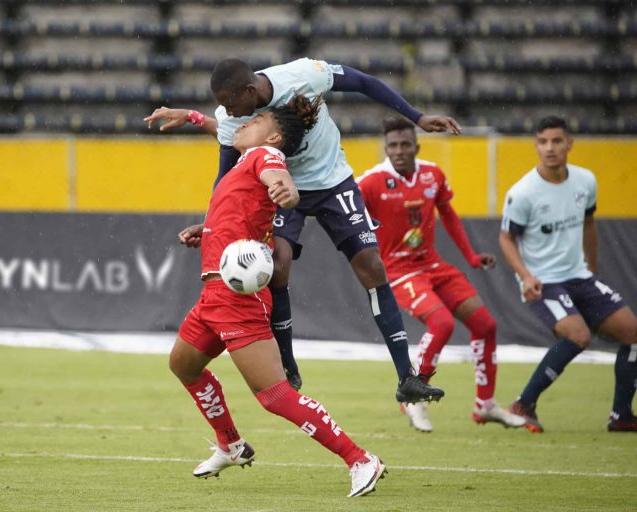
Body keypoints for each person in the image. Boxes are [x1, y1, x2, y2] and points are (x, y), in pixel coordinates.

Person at [146, 57, 457, 404]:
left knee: (372, 265)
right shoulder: (229, 119)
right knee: (276, 267)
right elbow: (225, 179)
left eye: (231, 104)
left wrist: (417, 117)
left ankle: (406, 377)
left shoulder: (305, 75)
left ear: (250, 91)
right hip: (280, 187)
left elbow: (364, 82)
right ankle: (289, 368)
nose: (228, 113)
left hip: (332, 180)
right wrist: (212, 224)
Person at [169, 94, 386, 498]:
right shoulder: (245, 162)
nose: (244, 125)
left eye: (255, 121)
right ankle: (231, 445)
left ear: (272, 135)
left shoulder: (263, 158)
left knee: (275, 395)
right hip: (214, 292)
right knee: (183, 365)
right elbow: (243, 206)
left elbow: (277, 177)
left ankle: (359, 458)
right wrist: (210, 230)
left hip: (237, 300)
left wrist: (285, 189)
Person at [356, 117, 526, 432]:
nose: (399, 150)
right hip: (398, 272)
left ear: (417, 146)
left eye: (405, 144)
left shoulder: (433, 174)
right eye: (393, 145)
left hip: (433, 265)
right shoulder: (370, 182)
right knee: (442, 323)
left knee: (485, 325)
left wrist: (472, 257)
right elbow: (348, 217)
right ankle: (412, 397)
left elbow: (448, 215)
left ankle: (485, 405)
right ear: (385, 148)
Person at [499, 115, 637, 433]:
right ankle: (524, 404)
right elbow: (505, 238)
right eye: (543, 142)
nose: (550, 148)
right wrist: (526, 276)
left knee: (632, 333)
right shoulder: (523, 192)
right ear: (536, 145)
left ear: (569, 144)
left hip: (580, 277)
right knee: (578, 336)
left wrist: (592, 267)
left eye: (557, 141)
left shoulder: (585, 181)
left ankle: (621, 415)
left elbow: (589, 223)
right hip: (542, 281)